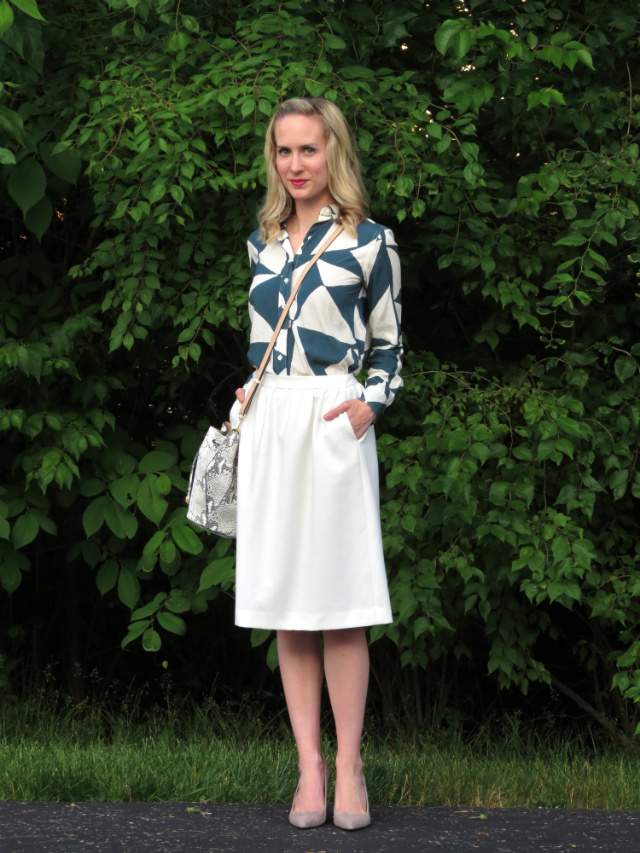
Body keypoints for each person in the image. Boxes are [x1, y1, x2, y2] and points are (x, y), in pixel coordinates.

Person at [231, 97, 402, 830]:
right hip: (273, 419)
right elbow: (263, 338)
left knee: (339, 603)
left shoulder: (371, 241)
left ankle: (352, 765)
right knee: (288, 605)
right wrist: (251, 387)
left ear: (334, 151)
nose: (295, 165)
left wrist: (372, 402)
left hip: (335, 419)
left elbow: (391, 345)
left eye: (308, 149)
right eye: (283, 151)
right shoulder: (263, 241)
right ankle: (309, 767)